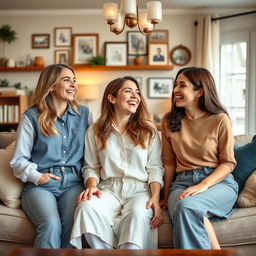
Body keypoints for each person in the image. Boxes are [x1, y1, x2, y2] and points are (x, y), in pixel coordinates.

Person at [70, 76, 164, 249]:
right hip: (108, 189)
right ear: (112, 98)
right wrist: (91, 186)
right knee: (86, 208)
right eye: (128, 91)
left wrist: (156, 198)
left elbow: (155, 168)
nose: (135, 96)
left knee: (137, 213)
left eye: (137, 92)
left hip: (139, 190)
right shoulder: (95, 130)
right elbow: (91, 167)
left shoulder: (149, 130)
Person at [10, 64, 93, 248]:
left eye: (74, 80)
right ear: (52, 86)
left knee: (72, 226)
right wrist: (38, 177)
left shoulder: (85, 114)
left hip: (74, 183)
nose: (73, 85)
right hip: (42, 185)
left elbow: (92, 156)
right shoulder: (31, 117)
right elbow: (18, 160)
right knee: (50, 224)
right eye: (67, 80)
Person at [160, 67, 238, 249]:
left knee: (187, 207)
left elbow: (228, 162)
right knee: (188, 209)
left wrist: (203, 185)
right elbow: (169, 163)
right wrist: (164, 196)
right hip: (181, 183)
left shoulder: (219, 119)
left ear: (200, 91)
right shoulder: (168, 120)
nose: (175, 90)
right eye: (175, 85)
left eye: (182, 85)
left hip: (217, 183)